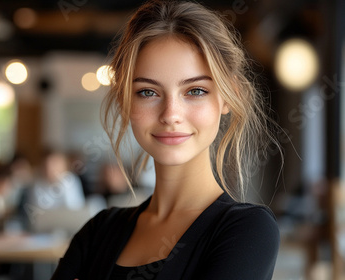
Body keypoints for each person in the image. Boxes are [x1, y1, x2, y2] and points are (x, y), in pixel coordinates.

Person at [51, 1, 281, 279]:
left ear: (228, 96)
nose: (171, 115)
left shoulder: (247, 231)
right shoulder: (98, 232)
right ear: (125, 101)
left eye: (195, 90)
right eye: (148, 92)